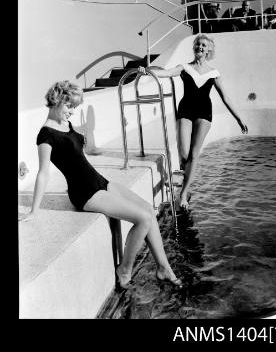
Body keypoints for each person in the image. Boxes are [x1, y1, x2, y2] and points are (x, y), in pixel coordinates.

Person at [21, 80, 182, 289]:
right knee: (142, 219)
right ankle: (125, 269)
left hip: (98, 181)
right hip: (84, 193)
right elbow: (43, 173)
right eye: (70, 106)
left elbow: (75, 155)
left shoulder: (65, 123)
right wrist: (34, 211)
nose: (72, 112)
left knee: (148, 210)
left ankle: (164, 268)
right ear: (58, 99)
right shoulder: (45, 135)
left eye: (75, 107)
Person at [138, 34, 248, 209]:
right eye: (198, 44)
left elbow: (225, 97)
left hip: (204, 113)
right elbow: (165, 73)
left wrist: (239, 119)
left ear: (208, 50)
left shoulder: (214, 72)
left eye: (204, 45)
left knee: (194, 155)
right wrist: (148, 71)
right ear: (194, 47)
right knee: (183, 154)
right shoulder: (184, 67)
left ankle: (183, 193)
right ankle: (185, 181)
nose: (200, 47)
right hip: (186, 110)